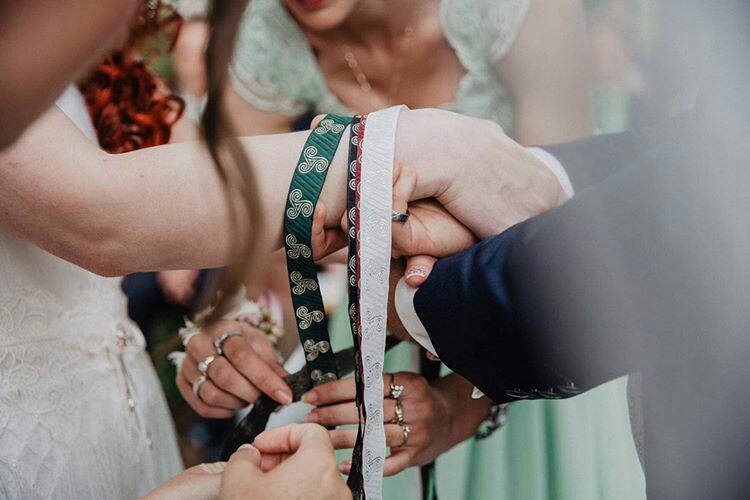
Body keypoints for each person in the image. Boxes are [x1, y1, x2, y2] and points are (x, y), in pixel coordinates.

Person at [387, 2, 750, 498]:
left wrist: (415, 299)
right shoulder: (269, 29)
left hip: (552, 332)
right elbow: (702, 151)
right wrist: (533, 182)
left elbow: (697, 211)